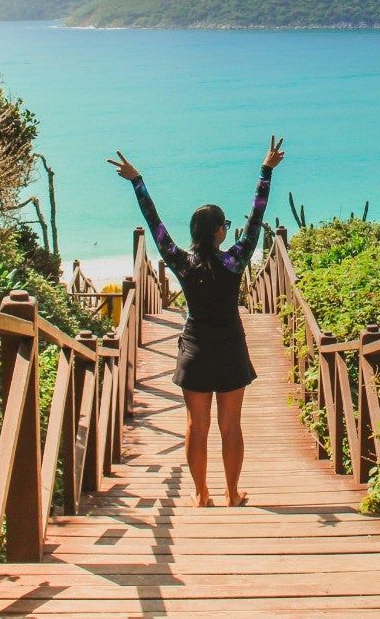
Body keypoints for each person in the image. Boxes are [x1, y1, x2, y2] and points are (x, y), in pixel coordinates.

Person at [107, 136, 284, 507]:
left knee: (196, 426)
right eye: (226, 226)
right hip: (232, 348)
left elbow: (154, 225)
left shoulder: (181, 262)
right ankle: (232, 493)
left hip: (195, 350)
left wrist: (138, 182)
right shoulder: (235, 260)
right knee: (231, 425)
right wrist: (265, 171)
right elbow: (257, 219)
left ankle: (202, 495)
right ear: (220, 232)